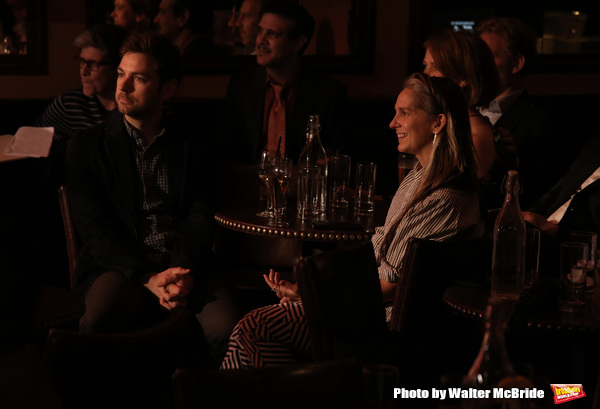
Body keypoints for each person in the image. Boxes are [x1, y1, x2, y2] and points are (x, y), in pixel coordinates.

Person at [220, 73, 485, 368]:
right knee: (252, 332)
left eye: (404, 113)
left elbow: (391, 284)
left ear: (438, 122)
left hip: (375, 325)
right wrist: (308, 292)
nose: (392, 123)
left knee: (254, 326)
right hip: (361, 308)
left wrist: (313, 296)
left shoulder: (444, 198)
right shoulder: (417, 178)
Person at [65, 30, 239, 362]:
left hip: (184, 265)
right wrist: (148, 277)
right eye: (120, 74)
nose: (123, 86)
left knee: (228, 330)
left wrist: (179, 274)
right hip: (119, 266)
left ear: (168, 88)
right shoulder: (87, 147)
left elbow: (199, 218)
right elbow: (96, 230)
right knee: (96, 320)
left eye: (139, 78)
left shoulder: (193, 144)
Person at [224, 1, 347, 163]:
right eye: (260, 30)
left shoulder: (328, 93)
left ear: (298, 42)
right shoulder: (241, 86)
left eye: (272, 34)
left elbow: (334, 156)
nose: (261, 41)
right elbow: (229, 151)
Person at [476, 17, 559, 209]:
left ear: (517, 64)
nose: (479, 65)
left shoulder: (540, 121)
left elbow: (536, 192)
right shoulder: (466, 109)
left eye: (488, 57)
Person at [423, 29, 500, 182]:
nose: (426, 74)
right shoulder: (445, 121)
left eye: (435, 67)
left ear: (464, 77)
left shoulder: (475, 135)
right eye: (425, 65)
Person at [33, 24, 129, 142]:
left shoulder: (131, 107)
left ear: (117, 68)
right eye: (82, 61)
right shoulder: (70, 103)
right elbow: (32, 140)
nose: (84, 71)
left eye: (93, 64)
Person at [153, 0, 220, 61]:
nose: (155, 20)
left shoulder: (190, 62)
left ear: (182, 18)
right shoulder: (212, 55)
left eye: (162, 12)